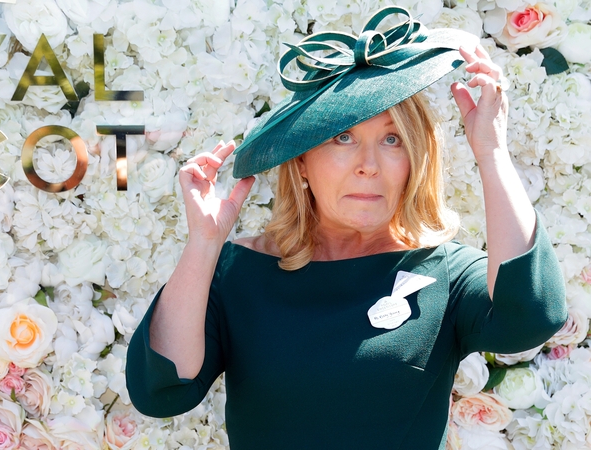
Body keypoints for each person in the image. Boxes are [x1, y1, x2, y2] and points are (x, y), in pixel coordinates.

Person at [125, 6, 567, 449]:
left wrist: (491, 150)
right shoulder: (237, 271)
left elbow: (532, 316)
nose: (368, 165)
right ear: (301, 161)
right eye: (343, 137)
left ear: (413, 160)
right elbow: (160, 391)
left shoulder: (444, 272)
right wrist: (204, 244)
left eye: (392, 140)